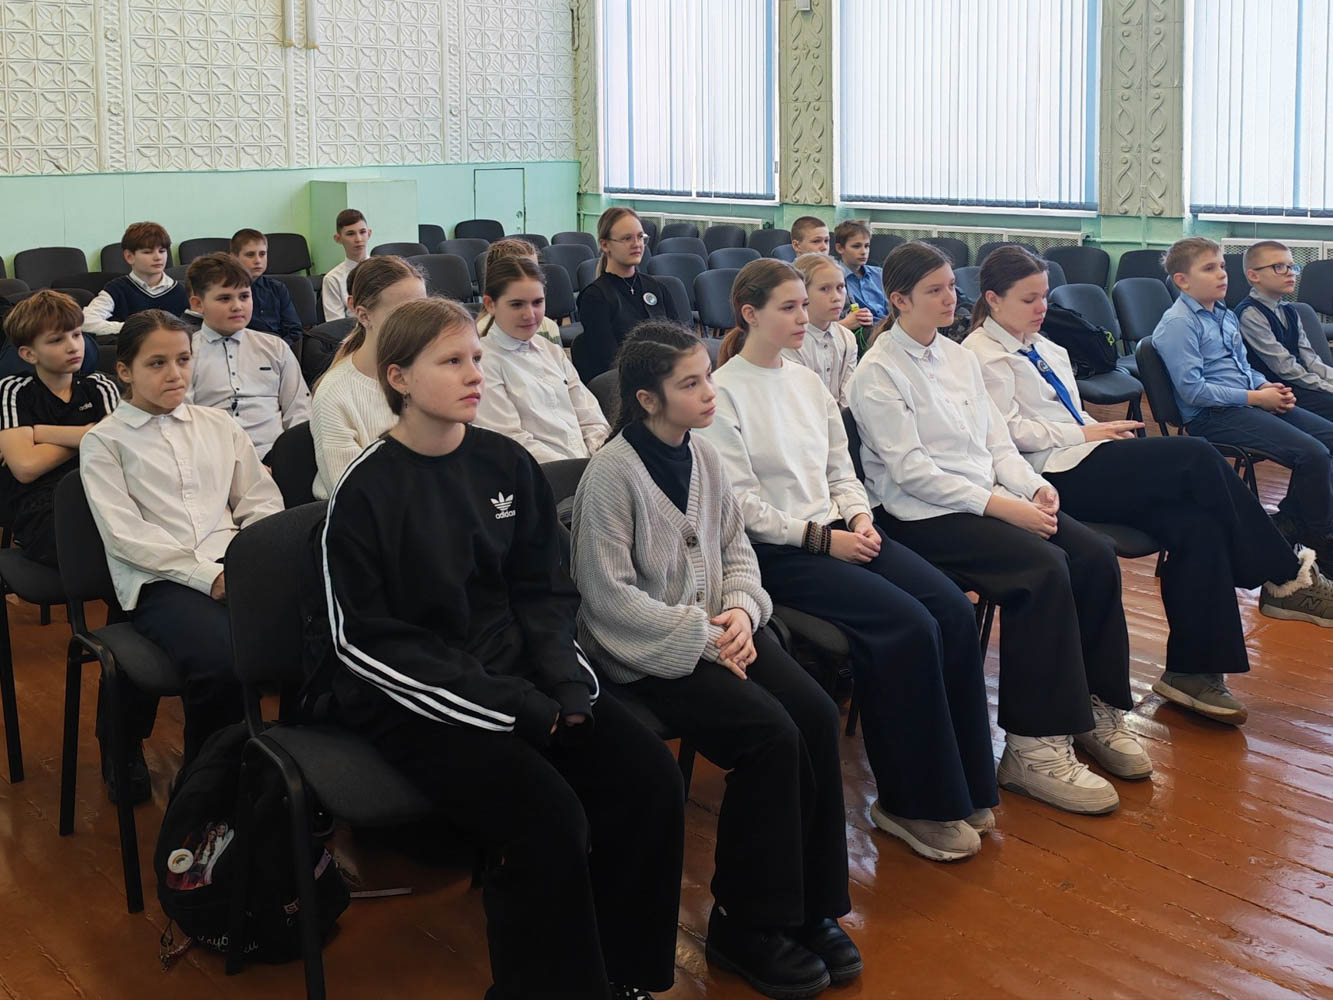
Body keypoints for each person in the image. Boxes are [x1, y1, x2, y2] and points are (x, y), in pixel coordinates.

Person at [319, 297, 683, 1000]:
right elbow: (364, 642)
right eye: (451, 361)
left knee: (647, 779)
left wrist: (566, 685)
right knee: (548, 820)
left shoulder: (505, 463)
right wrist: (515, 705)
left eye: (476, 359)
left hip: (519, 677)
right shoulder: (365, 491)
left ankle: (623, 975)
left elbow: (543, 590)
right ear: (399, 377)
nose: (474, 375)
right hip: (416, 699)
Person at [571, 321, 860, 999]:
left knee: (816, 714)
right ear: (648, 399)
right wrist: (707, 634)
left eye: (707, 376)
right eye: (691, 383)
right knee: (769, 738)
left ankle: (810, 904)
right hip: (646, 652)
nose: (709, 392)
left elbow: (736, 551)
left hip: (719, 632)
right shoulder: (610, 474)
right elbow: (608, 599)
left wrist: (741, 612)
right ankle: (745, 923)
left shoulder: (702, 455)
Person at [700, 260, 997, 862]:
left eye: (802, 305)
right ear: (750, 314)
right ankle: (911, 804)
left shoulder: (807, 382)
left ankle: (966, 782)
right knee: (907, 626)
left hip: (842, 531)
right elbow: (744, 507)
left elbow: (842, 468)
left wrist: (859, 517)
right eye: (788, 307)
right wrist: (823, 539)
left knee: (950, 608)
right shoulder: (723, 392)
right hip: (780, 552)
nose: (804, 316)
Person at [965, 245, 1333, 725]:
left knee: (1197, 522)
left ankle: (1193, 673)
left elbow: (1067, 414)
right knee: (1195, 456)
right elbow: (1007, 433)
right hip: (1043, 476)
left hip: (1082, 454)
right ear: (993, 299)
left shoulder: (1045, 345)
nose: (1042, 308)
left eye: (1045, 297)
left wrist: (1094, 429)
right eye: (1029, 299)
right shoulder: (979, 355)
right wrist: (1087, 432)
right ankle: (1283, 574)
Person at [849, 242, 1149, 816]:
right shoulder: (878, 371)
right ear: (899, 300)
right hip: (921, 516)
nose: (950, 298)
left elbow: (997, 444)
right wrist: (1001, 506)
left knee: (1092, 553)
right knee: (1042, 570)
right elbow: (912, 473)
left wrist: (1030, 486)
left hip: (985, 498)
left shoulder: (956, 357)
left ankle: (1096, 709)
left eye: (950, 286)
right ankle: (1032, 748)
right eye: (935, 290)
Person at [80, 309, 283, 802]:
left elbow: (259, 499)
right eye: (157, 363)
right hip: (159, 578)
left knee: (311, 637)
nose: (175, 374)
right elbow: (126, 535)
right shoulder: (104, 441)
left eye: (183, 360)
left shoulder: (218, 425)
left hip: (233, 564)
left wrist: (253, 559)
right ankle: (204, 788)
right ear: (125, 371)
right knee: (221, 662)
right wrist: (206, 576)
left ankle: (276, 765)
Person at [1152, 236, 1333, 567]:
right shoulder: (1179, 324)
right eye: (1209, 268)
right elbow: (1194, 392)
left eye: (1222, 266)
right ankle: (1321, 542)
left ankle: (1292, 521)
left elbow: (1243, 367)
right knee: (1313, 454)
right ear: (1182, 280)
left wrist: (1266, 385)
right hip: (1213, 415)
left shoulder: (1223, 314)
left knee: (1328, 439)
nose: (1222, 274)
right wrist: (1257, 397)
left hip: (1246, 402)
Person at [0, 290, 120, 567]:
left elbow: (118, 448)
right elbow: (26, 467)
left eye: (76, 335)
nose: (73, 346)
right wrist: (89, 434)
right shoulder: (13, 391)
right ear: (28, 354)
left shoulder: (100, 385)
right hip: (41, 507)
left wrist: (40, 432)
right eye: (56, 340)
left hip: (103, 492)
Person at [309, 255, 426, 499]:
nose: (419, 324)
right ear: (363, 316)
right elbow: (353, 496)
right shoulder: (335, 394)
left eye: (423, 311)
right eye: (402, 313)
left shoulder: (431, 372)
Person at [473, 256, 609, 462]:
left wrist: (600, 457)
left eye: (537, 302)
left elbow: (591, 417)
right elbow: (510, 440)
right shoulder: (484, 362)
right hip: (542, 473)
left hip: (587, 464)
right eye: (516, 304)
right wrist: (576, 469)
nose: (530, 314)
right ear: (490, 304)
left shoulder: (552, 351)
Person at [184, 253, 310, 460]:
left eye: (244, 296)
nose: (237, 306)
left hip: (276, 456)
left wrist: (291, 460)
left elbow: (299, 411)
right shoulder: (185, 354)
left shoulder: (274, 347)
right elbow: (184, 420)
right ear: (197, 304)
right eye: (224, 298)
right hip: (215, 458)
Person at [573, 207, 685, 384]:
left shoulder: (657, 288)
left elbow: (680, 343)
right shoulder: (595, 297)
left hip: (666, 377)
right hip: (628, 384)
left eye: (640, 237)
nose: (637, 244)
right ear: (605, 245)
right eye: (627, 238)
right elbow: (611, 360)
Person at [1236, 240, 1333, 422]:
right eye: (1279, 267)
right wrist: (1327, 388)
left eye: (1292, 267)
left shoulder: (1290, 310)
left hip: (1303, 383)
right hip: (1279, 392)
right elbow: (1285, 368)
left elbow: (1311, 360)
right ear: (1254, 275)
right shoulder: (1250, 314)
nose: (1290, 273)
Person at [82, 222, 189, 337]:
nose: (158, 257)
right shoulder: (116, 289)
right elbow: (86, 322)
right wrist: (134, 328)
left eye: (162, 251)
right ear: (129, 257)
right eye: (148, 252)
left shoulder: (181, 291)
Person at [785, 252, 858, 406]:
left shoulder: (847, 338)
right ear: (802, 293)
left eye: (840, 287)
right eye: (825, 289)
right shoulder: (788, 341)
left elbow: (848, 398)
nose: (836, 297)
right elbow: (799, 401)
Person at [477, 238, 563, 346]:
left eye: (534, 270)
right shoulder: (480, 333)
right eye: (516, 304)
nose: (530, 276)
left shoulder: (548, 327)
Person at [230, 228, 304, 346]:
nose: (258, 260)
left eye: (262, 254)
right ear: (234, 257)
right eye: (250, 255)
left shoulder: (278, 288)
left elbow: (294, 330)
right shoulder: (227, 291)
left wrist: (278, 349)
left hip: (277, 348)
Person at [832, 219, 885, 343]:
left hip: (886, 328)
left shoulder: (879, 274)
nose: (863, 252)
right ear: (840, 248)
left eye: (867, 246)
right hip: (862, 332)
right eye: (856, 246)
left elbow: (892, 310)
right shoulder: (835, 278)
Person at [321, 209, 371, 321]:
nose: (358, 239)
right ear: (338, 239)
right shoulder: (333, 279)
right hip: (352, 330)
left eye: (362, 232)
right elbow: (336, 324)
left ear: (369, 234)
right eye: (350, 234)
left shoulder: (383, 270)